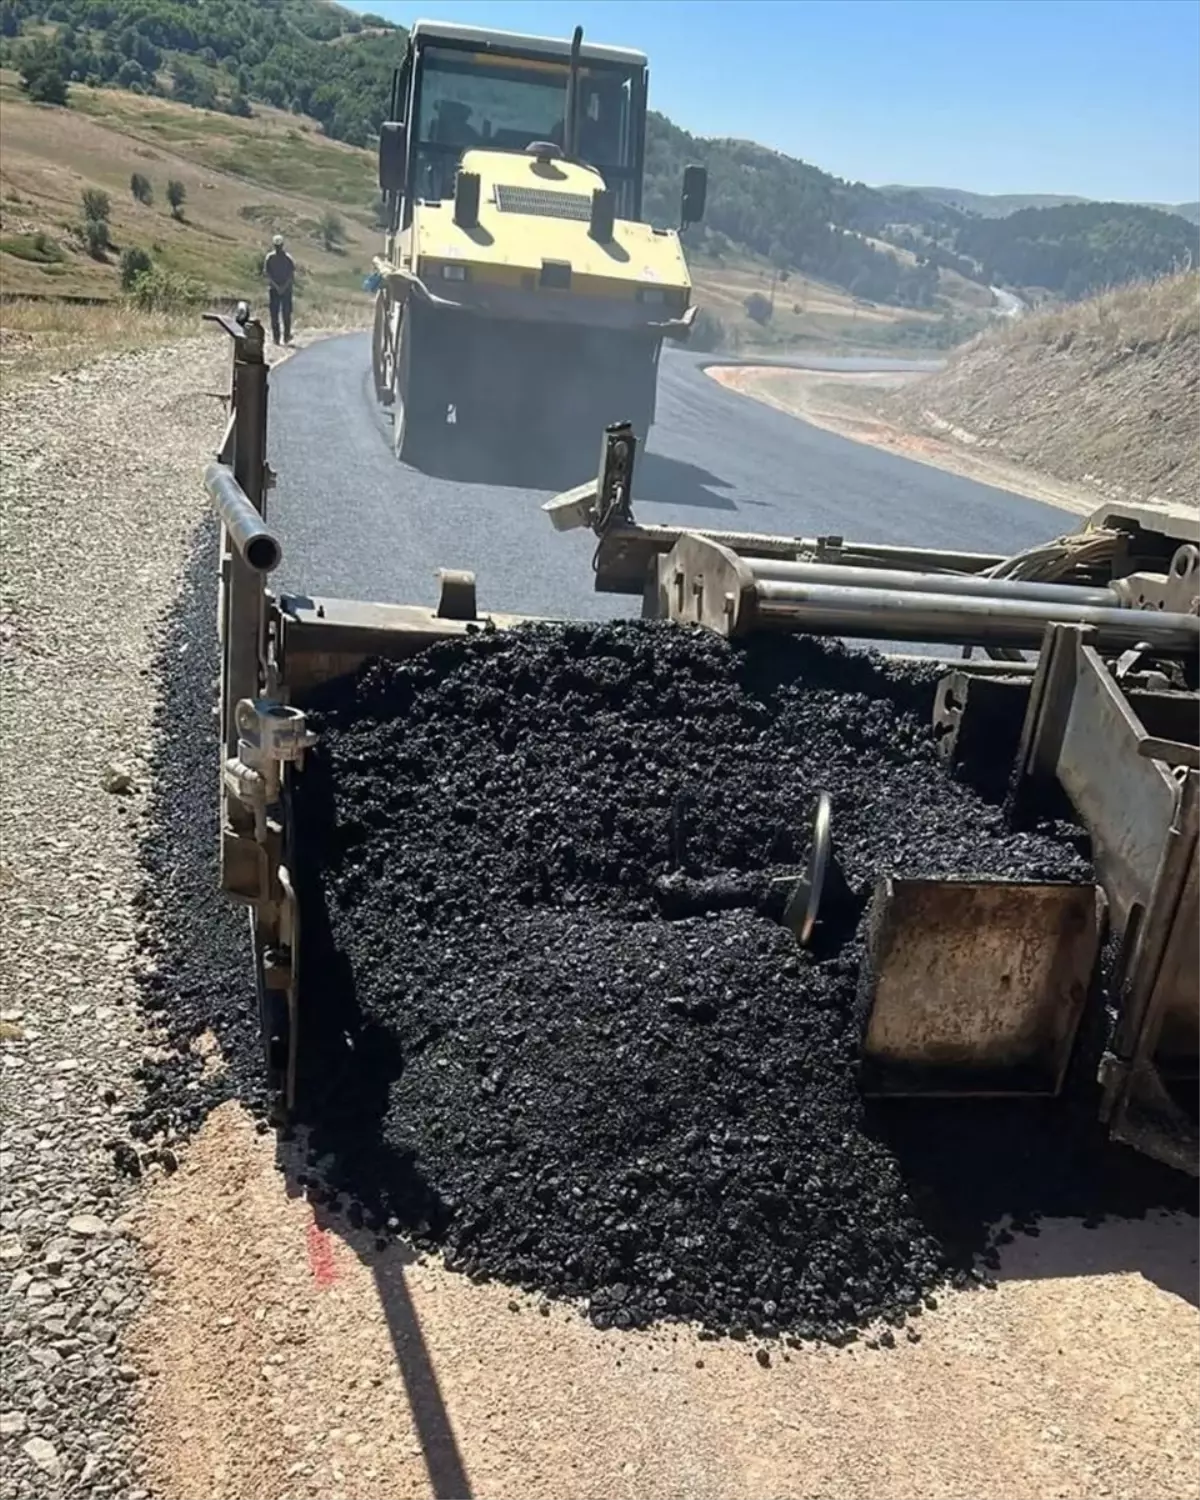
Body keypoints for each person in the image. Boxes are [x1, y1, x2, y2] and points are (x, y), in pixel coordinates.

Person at [263, 234, 295, 345]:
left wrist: (278, 287)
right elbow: (291, 277)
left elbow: (268, 274)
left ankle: (282, 337)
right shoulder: (286, 258)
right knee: (278, 314)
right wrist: (281, 287)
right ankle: (280, 338)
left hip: (278, 289)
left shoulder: (271, 257)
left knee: (281, 314)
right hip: (282, 289)